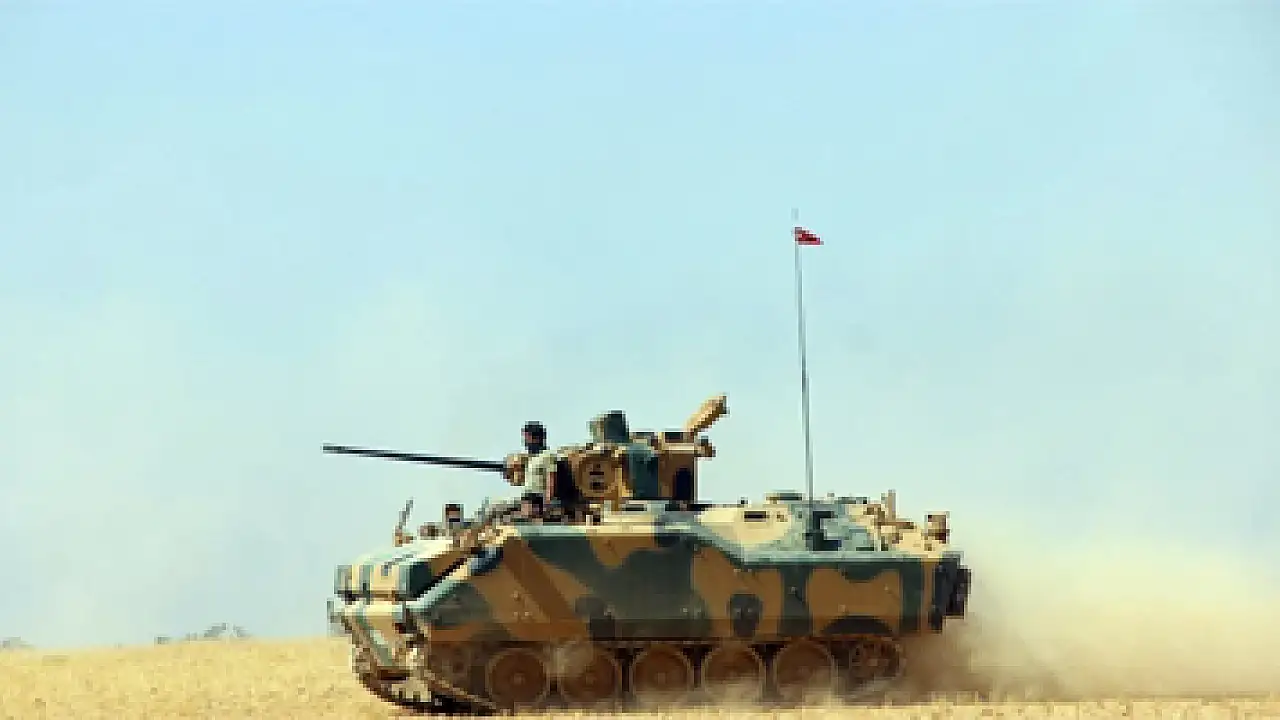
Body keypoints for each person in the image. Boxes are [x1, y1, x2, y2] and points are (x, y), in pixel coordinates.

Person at [516, 421, 557, 518]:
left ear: (536, 439)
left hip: (537, 499)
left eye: (527, 438)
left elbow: (550, 479)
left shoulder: (547, 456)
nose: (525, 442)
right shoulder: (532, 458)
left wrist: (547, 503)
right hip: (527, 498)